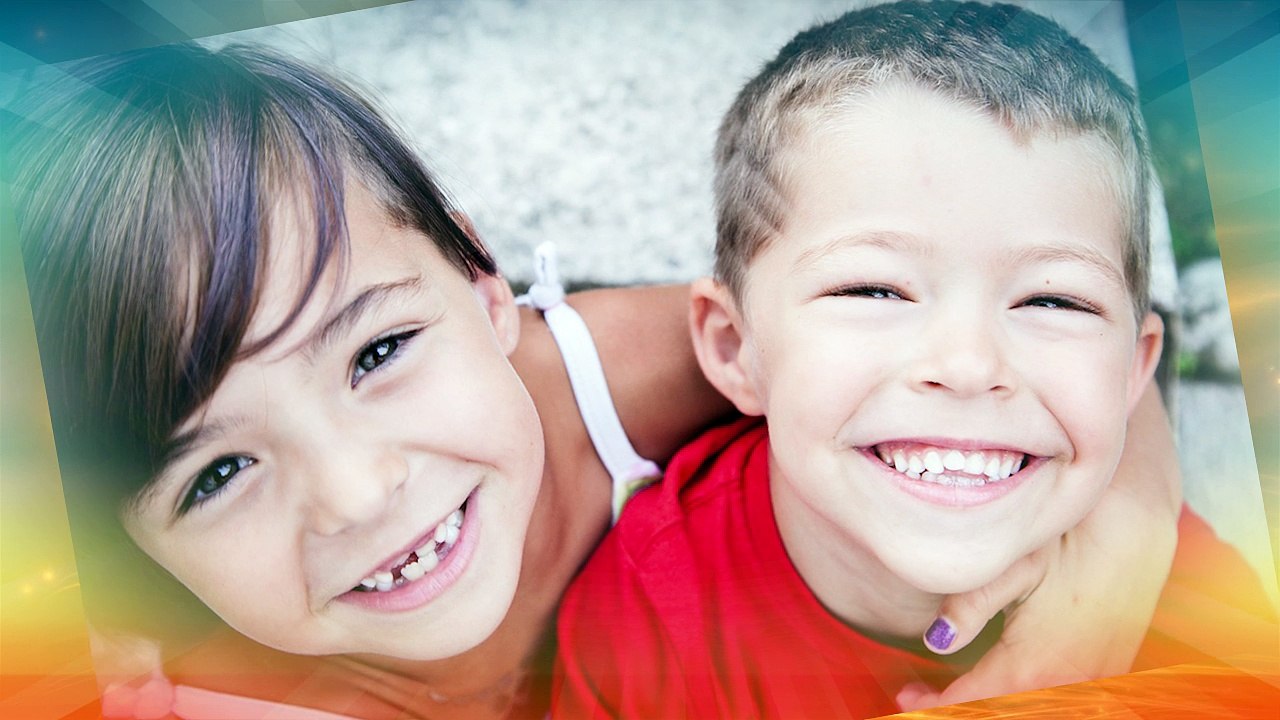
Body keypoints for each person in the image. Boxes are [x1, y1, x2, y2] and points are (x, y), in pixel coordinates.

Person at [10, 39, 1181, 720]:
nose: (360, 493)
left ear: (479, 283)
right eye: (216, 472)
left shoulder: (608, 377)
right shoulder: (188, 677)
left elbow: (1003, 357)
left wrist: (1105, 589)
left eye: (376, 353)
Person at [552, 2, 1278, 717]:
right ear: (733, 348)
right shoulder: (648, 619)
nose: (967, 365)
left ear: (1132, 369)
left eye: (1054, 302)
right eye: (872, 288)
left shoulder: (1205, 624)